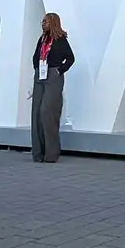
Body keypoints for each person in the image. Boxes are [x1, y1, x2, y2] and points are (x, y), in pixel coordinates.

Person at [30, 13, 75, 164]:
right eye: (42, 21)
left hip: (53, 76)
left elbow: (70, 58)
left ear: (54, 23)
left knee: (47, 112)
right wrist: (36, 67)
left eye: (46, 21)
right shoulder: (42, 39)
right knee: (36, 113)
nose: (43, 24)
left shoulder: (60, 40)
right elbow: (35, 56)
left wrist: (59, 70)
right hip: (39, 76)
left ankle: (51, 153)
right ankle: (38, 153)